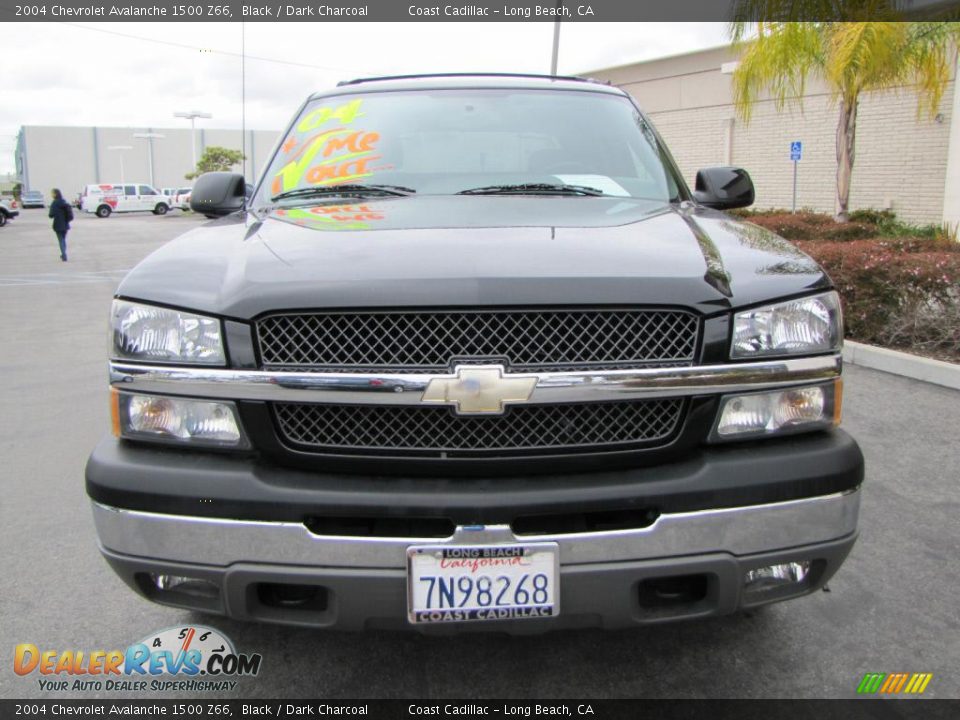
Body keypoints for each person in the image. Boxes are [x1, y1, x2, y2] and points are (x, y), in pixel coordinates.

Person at [48, 188, 73, 262]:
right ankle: (63, 254)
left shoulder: (54, 203)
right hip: (65, 224)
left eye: (52, 193)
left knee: (61, 240)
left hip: (58, 224)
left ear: (55, 194)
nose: (51, 195)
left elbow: (51, 215)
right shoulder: (64, 202)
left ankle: (64, 255)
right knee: (63, 240)